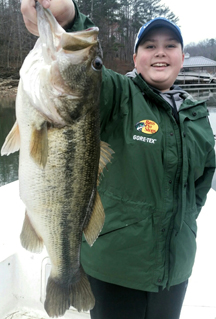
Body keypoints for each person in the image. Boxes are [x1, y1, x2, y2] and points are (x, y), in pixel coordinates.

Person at [21, 1, 216, 319]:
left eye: (170, 46)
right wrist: (69, 18)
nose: (160, 52)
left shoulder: (198, 117)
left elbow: (202, 182)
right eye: (150, 45)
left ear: (183, 57)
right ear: (135, 58)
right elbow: (83, 74)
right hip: (114, 267)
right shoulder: (119, 95)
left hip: (175, 270)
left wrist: (184, 227)